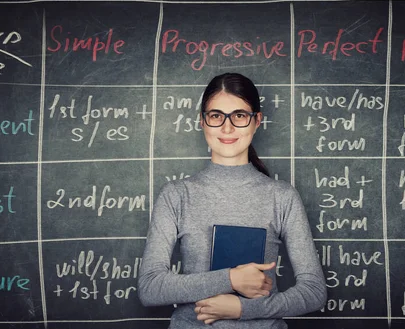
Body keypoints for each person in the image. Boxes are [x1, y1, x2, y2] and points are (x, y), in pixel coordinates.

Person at [138, 73, 327, 328]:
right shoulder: (176, 195)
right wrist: (231, 279)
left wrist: (243, 309)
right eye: (216, 116)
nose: (227, 128)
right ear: (202, 122)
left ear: (256, 121)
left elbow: (314, 291)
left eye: (239, 116)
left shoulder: (282, 196)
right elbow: (150, 287)